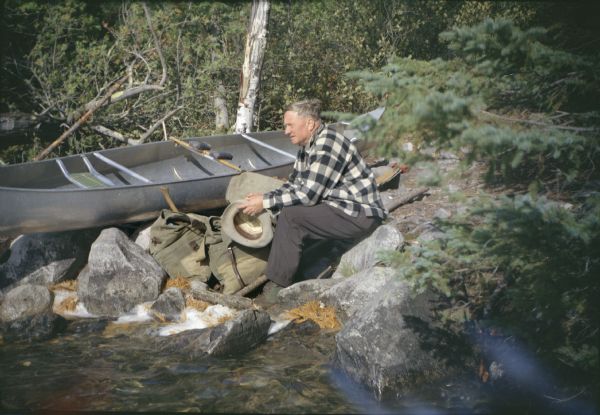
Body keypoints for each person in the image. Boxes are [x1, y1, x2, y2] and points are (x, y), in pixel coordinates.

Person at [239, 99, 387, 287]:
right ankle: (298, 275)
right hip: (339, 208)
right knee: (287, 212)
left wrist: (266, 201)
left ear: (309, 123)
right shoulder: (306, 149)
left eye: (290, 125)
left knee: (291, 217)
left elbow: (308, 195)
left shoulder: (328, 143)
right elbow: (293, 185)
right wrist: (263, 198)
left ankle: (277, 286)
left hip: (359, 212)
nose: (286, 131)